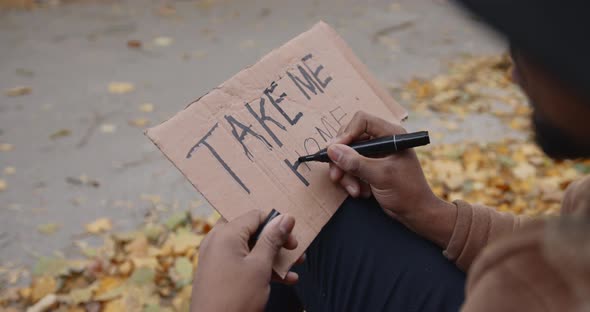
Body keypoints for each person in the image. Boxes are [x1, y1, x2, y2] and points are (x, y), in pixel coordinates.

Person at [191, 1, 590, 311]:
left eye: (530, 46)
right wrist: (431, 213)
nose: (514, 74)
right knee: (314, 218)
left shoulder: (531, 291)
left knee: (286, 230)